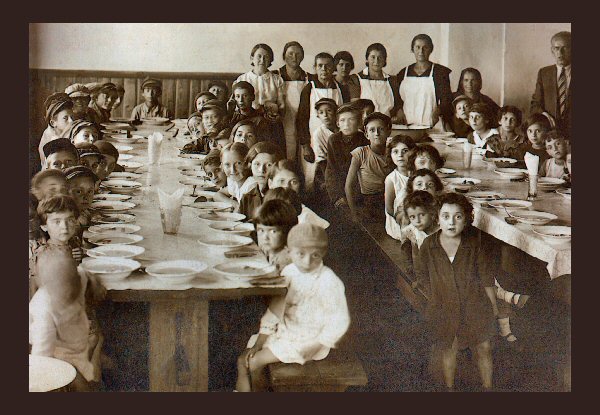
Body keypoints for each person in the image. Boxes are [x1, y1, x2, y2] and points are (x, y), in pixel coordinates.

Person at [235, 223, 350, 392]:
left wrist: (319, 343)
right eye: (300, 254)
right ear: (289, 251)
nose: (307, 261)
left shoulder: (328, 281)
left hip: (309, 341)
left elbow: (339, 320)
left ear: (323, 253)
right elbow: (275, 311)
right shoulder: (289, 272)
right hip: (287, 331)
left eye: (315, 255)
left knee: (251, 363)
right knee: (245, 357)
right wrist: (259, 342)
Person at [415, 192, 499, 391]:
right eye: (445, 216)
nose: (451, 222)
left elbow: (487, 278)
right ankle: (449, 389)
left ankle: (488, 388)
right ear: (437, 218)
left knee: (484, 347)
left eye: (458, 216)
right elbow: (423, 276)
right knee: (448, 348)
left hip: (474, 304)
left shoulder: (475, 244)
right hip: (444, 306)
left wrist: (493, 307)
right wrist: (435, 300)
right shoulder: (429, 245)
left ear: (467, 219)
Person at [29, 195, 104, 391]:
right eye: (57, 221)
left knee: (96, 338)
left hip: (72, 324)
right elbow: (41, 353)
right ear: (44, 226)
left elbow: (78, 274)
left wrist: (91, 278)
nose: (65, 227)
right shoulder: (45, 257)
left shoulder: (67, 252)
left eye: (70, 220)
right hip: (56, 347)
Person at [296, 52, 350, 166]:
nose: (324, 69)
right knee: (312, 176)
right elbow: (302, 118)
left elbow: (347, 116)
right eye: (320, 66)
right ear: (315, 68)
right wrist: (305, 145)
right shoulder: (309, 89)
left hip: (337, 141)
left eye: (328, 65)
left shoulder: (342, 89)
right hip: (313, 141)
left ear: (333, 67)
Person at [345, 112, 394, 223]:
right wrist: (354, 213)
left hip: (391, 198)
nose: (376, 133)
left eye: (380, 129)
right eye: (372, 130)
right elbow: (349, 186)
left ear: (388, 132)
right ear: (366, 134)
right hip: (370, 202)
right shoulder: (360, 153)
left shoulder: (393, 153)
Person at [397, 34, 453, 128]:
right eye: (417, 47)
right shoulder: (403, 73)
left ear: (431, 49)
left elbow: (446, 99)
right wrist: (399, 111)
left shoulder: (440, 72)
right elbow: (398, 98)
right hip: (408, 125)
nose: (421, 51)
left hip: (433, 124)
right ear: (412, 49)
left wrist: (438, 111)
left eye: (425, 47)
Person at [324, 104, 369, 209]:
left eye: (351, 120)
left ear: (359, 123)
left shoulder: (364, 140)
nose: (346, 124)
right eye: (343, 120)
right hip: (340, 187)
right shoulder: (334, 140)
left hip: (360, 188)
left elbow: (365, 172)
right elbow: (331, 170)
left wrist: (353, 196)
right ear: (337, 123)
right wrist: (338, 196)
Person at [530, 31, 571, 140]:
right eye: (557, 48)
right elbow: (535, 105)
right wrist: (544, 114)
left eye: (565, 48)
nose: (560, 53)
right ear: (552, 51)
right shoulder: (544, 73)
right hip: (550, 134)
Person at [274, 41, 310, 161]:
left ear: (303, 56)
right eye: (290, 54)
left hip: (303, 120)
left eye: (298, 54)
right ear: (284, 56)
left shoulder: (308, 77)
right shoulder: (275, 76)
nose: (294, 57)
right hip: (283, 120)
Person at [267, 160, 330, 229]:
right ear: (270, 184)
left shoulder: (305, 216)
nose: (287, 186)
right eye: (281, 181)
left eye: (293, 182)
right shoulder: (266, 209)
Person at [348, 43, 401, 118]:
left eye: (380, 57)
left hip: (387, 123)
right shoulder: (356, 79)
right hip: (365, 125)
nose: (376, 61)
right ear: (367, 59)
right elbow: (355, 107)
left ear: (384, 60)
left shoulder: (392, 80)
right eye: (373, 57)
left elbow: (398, 106)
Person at [399, 190, 439, 286]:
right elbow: (415, 257)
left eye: (421, 215)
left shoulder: (440, 231)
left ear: (432, 214)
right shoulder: (413, 231)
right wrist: (420, 279)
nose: (417, 221)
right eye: (412, 217)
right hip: (423, 266)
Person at [235, 44, 285, 114]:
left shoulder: (277, 80)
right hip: (247, 119)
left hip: (270, 119)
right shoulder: (242, 79)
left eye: (266, 57)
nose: (262, 60)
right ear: (252, 58)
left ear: (270, 60)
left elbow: (281, 105)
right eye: (259, 56)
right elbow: (237, 106)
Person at [238, 142, 284, 219]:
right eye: (257, 164)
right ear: (250, 165)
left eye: (269, 165)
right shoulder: (247, 198)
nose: (262, 170)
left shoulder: (281, 199)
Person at [384, 135, 417, 240]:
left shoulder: (417, 175)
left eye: (405, 150)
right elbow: (389, 209)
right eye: (395, 152)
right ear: (390, 154)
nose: (400, 155)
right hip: (399, 222)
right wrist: (406, 220)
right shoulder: (391, 179)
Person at [253, 199, 298, 274]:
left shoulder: (285, 260)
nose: (265, 237)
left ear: (287, 231)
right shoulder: (272, 249)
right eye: (261, 230)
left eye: (273, 231)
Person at [310, 98, 338, 194]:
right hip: (326, 167)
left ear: (335, 112)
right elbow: (321, 160)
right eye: (321, 112)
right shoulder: (318, 133)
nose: (325, 115)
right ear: (318, 115)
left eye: (329, 111)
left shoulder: (343, 128)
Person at [38, 93, 74, 167]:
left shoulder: (66, 132)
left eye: (72, 117)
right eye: (65, 118)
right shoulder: (51, 140)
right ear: (53, 123)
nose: (71, 121)